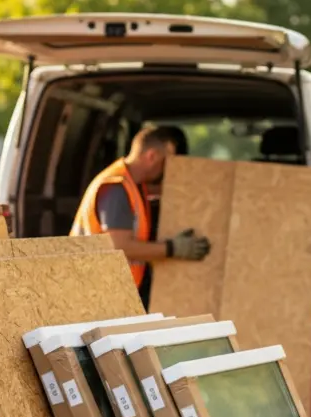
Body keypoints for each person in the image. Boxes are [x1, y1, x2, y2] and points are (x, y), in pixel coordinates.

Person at [71, 125, 210, 306]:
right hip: (94, 292)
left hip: (111, 290)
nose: (170, 171)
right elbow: (119, 247)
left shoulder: (135, 186)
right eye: (168, 163)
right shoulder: (116, 188)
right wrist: (173, 248)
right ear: (152, 156)